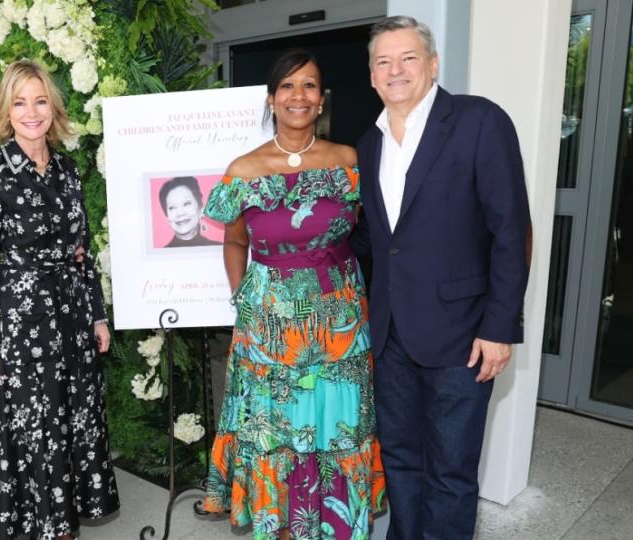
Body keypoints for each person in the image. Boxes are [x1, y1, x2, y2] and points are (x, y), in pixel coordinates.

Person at [349, 16, 530, 540]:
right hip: (390, 335)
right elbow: (373, 241)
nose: (395, 70)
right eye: (383, 61)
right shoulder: (368, 143)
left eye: (407, 58)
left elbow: (510, 231)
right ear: (371, 77)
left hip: (463, 333)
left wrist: (500, 327)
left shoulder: (478, 121)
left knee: (451, 470)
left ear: (432, 64)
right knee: (402, 459)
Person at [201, 49, 386, 539]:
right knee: (277, 432)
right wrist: (246, 300)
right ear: (271, 98)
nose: (298, 96)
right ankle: (283, 529)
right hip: (270, 328)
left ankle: (336, 526)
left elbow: (381, 234)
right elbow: (235, 241)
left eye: (309, 85)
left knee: (336, 426)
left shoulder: (348, 161)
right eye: (288, 86)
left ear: (321, 99)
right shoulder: (244, 170)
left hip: (339, 326)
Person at [0, 59, 119, 540]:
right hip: (23, 323)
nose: (31, 112)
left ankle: (66, 527)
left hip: (72, 316)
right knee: (37, 429)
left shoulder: (68, 170)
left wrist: (97, 314)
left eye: (39, 101)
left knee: (73, 421)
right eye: (19, 102)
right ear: (6, 111)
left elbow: (84, 248)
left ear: (52, 108)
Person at [157, 175, 219, 247]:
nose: (180, 213)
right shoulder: (160, 255)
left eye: (186, 204)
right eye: (172, 208)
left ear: (200, 209)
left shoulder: (219, 248)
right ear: (167, 217)